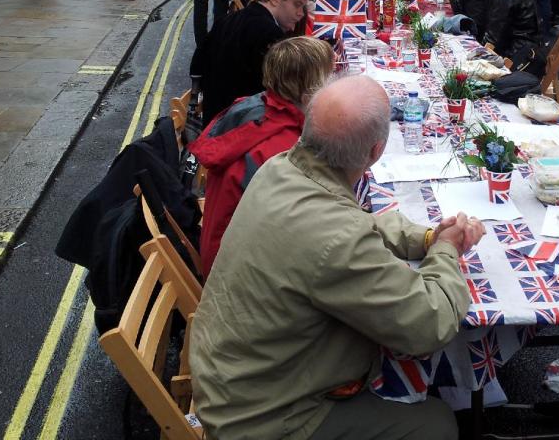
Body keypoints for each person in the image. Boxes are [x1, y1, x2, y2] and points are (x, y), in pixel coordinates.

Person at [190, 74, 484, 440]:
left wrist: (425, 238)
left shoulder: (281, 168)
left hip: (230, 376)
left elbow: (354, 224)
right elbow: (428, 324)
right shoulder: (336, 236)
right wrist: (446, 250)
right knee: (436, 422)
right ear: (376, 152)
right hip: (262, 418)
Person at [191, 36, 335, 276]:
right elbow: (307, 227)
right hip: (240, 274)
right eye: (329, 79)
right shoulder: (283, 149)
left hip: (226, 248)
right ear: (309, 93)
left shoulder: (259, 107)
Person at [190, 0, 312, 125]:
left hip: (215, 123)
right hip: (238, 128)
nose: (300, 14)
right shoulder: (269, 33)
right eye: (297, 4)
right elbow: (283, 91)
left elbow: (197, 65)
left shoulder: (229, 19)